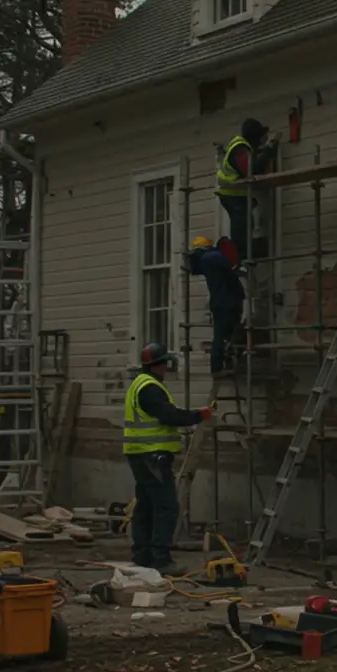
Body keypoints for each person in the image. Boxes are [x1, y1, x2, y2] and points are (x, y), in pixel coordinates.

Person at [123, 343, 212, 574]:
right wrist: (197, 416)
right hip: (153, 455)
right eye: (166, 363)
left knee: (146, 505)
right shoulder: (150, 388)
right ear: (160, 364)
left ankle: (142, 556)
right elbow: (168, 416)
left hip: (140, 454)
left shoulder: (139, 384)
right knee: (166, 507)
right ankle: (160, 560)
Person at [215, 118, 279, 261]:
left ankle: (247, 252)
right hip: (232, 193)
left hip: (236, 193)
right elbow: (251, 169)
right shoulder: (240, 149)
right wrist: (269, 149)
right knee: (241, 224)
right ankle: (241, 257)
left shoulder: (244, 148)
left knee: (247, 221)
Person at [188, 236, 245, 378]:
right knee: (226, 335)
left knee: (222, 335)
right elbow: (230, 269)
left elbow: (194, 268)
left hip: (219, 302)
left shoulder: (203, 262)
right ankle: (219, 367)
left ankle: (222, 364)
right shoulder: (213, 257)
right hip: (228, 301)